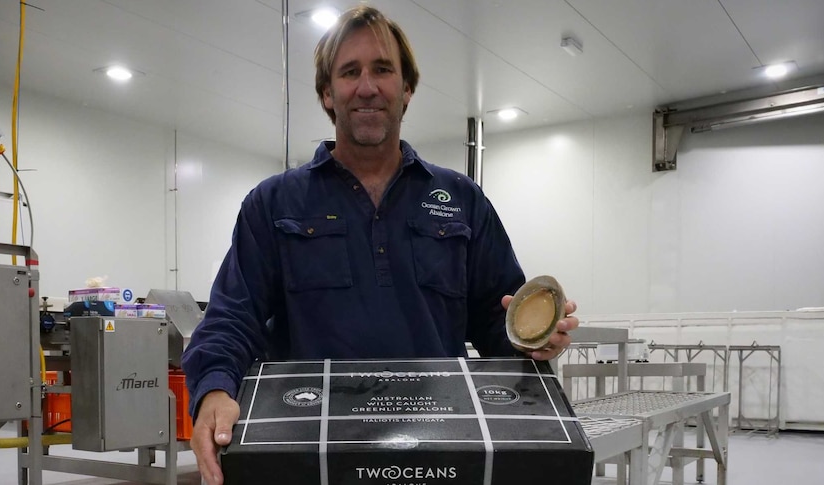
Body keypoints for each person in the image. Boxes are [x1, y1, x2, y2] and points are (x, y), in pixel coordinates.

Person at [181, 5, 579, 485]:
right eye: (349, 72)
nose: (366, 86)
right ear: (327, 93)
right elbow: (231, 318)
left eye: (383, 70)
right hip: (310, 451)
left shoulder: (462, 201)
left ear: (406, 88)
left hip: (439, 452)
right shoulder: (272, 203)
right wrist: (214, 391)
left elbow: (499, 321)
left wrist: (533, 340)